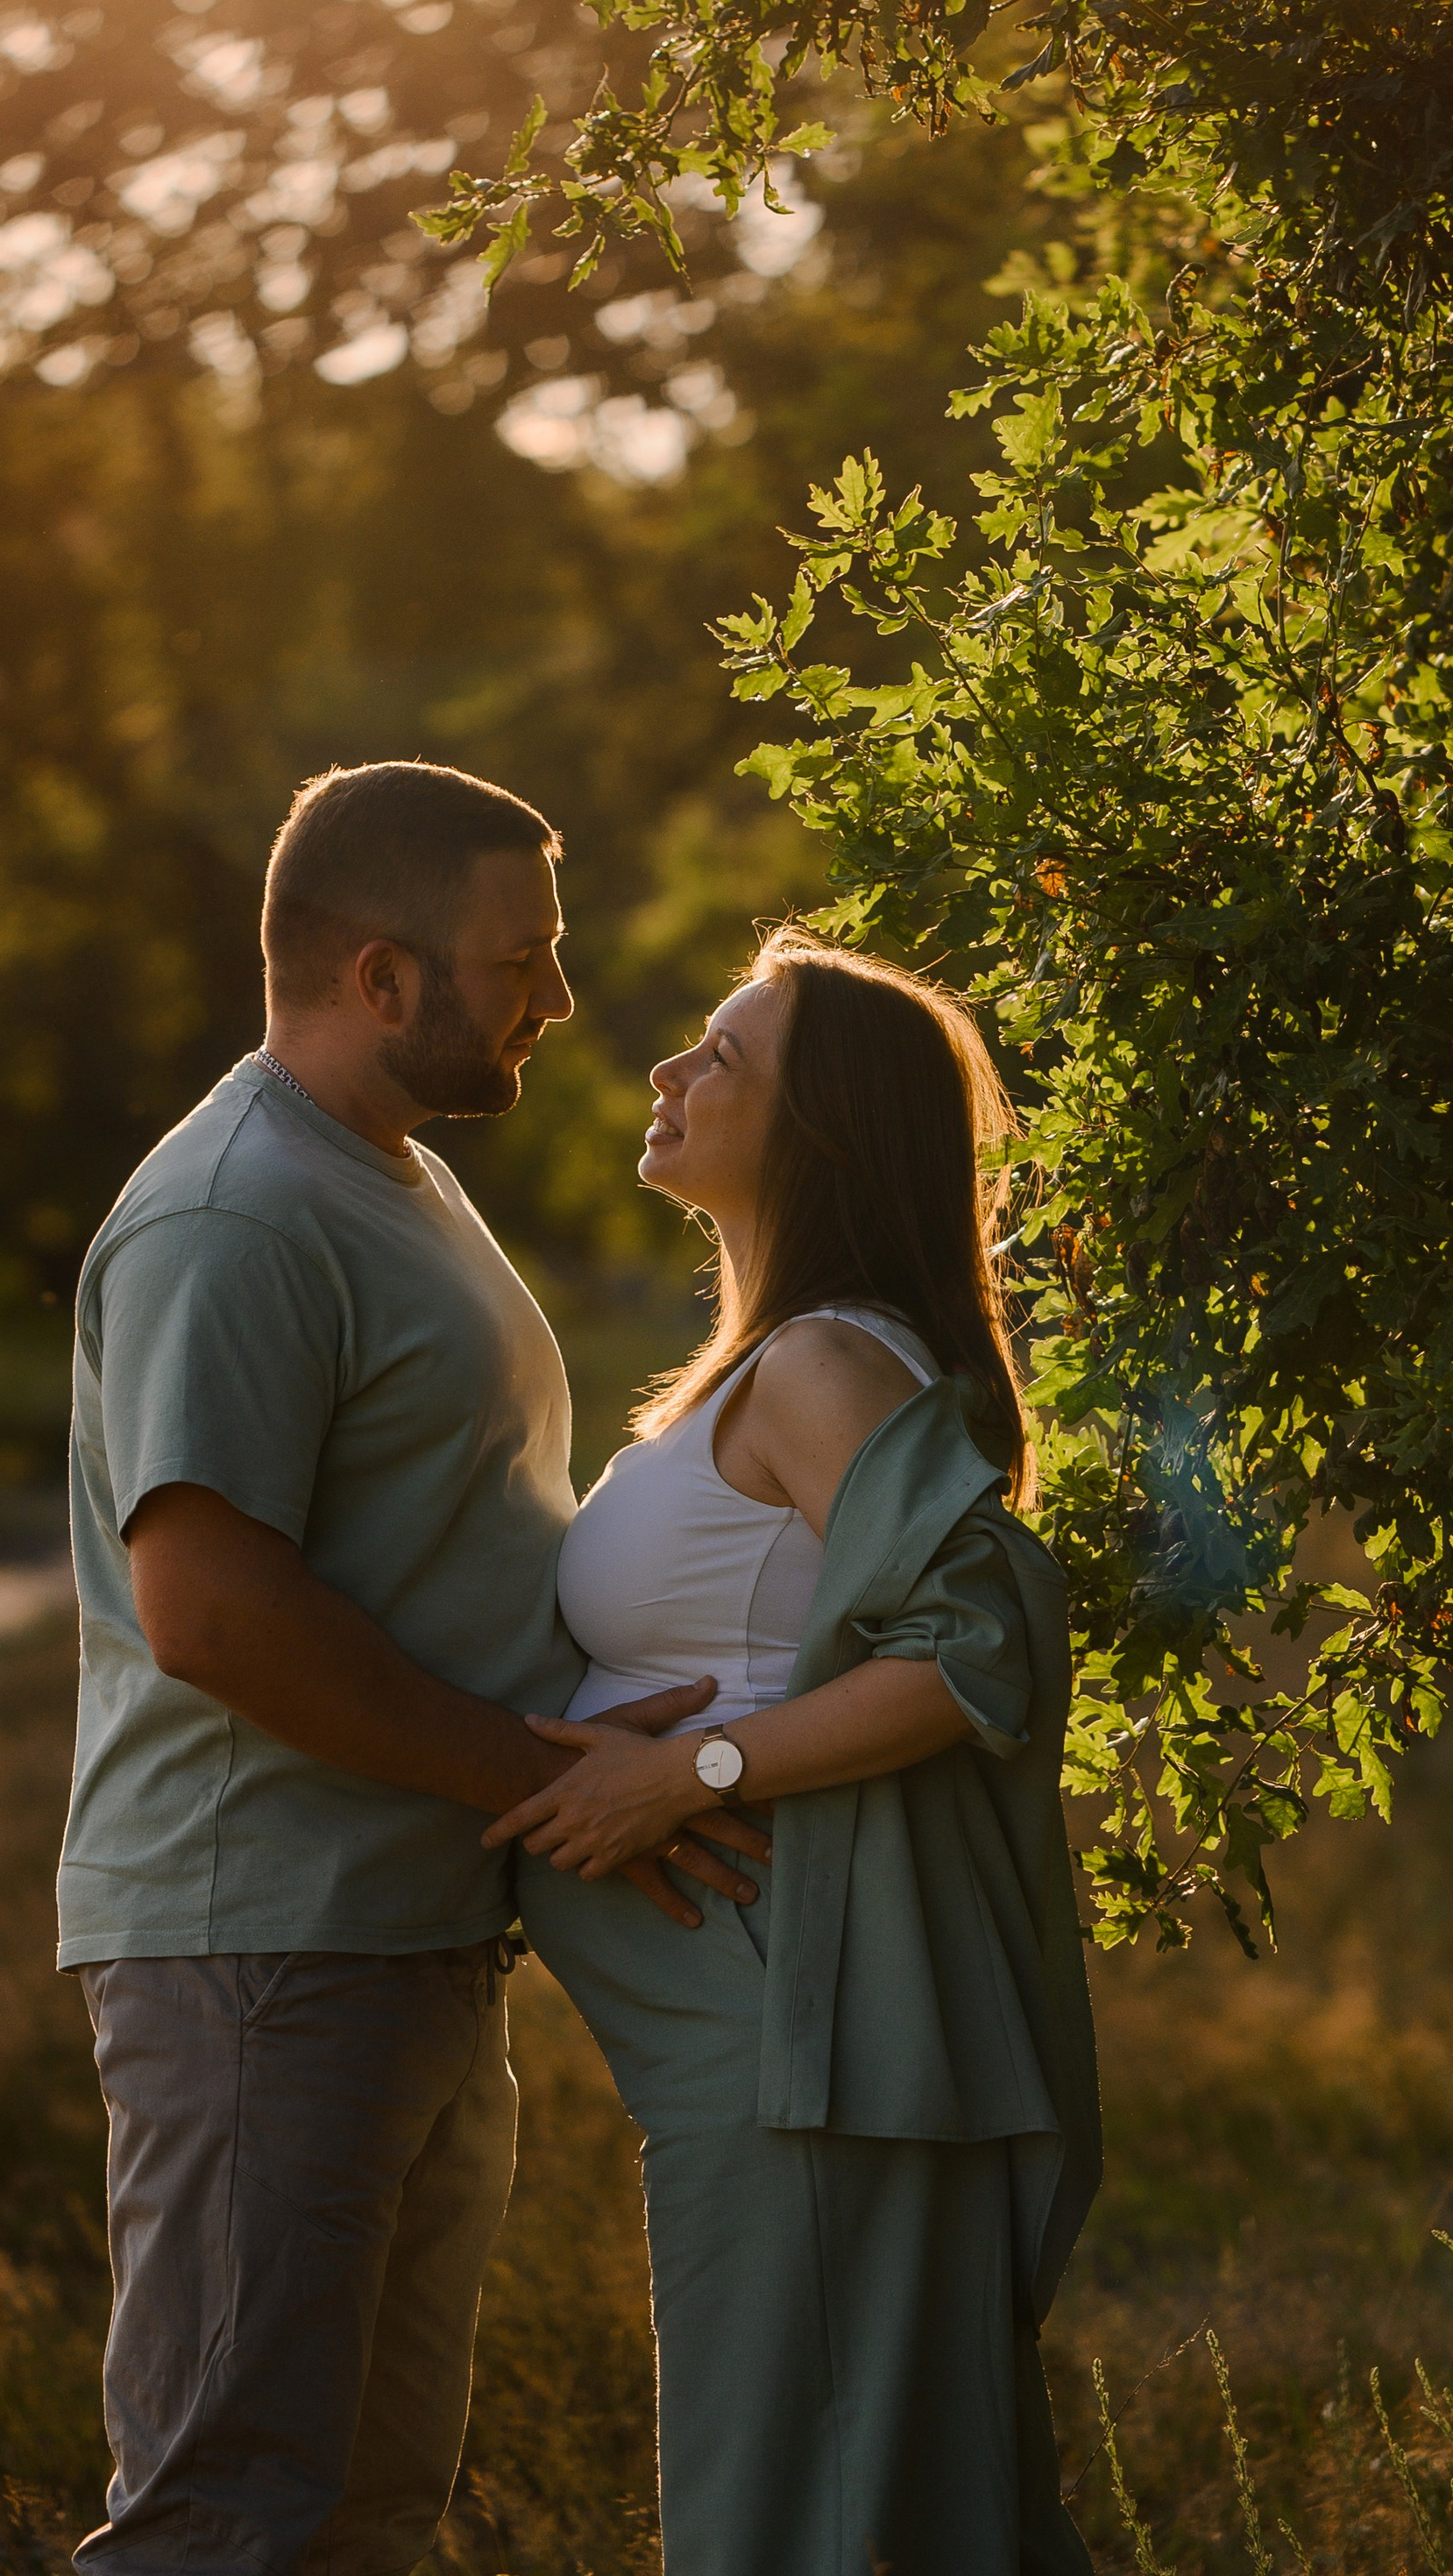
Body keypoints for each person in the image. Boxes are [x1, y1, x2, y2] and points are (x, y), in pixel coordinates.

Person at [56, 759, 762, 2576]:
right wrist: (538, 1778)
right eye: (522, 957)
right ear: (381, 975)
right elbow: (208, 1608)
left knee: (367, 2517)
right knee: (228, 2519)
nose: (561, 996)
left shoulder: (390, 1175)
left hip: (399, 1931)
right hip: (265, 1945)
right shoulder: (233, 1214)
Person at [487, 927, 1102, 2576]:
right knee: (834, 2511)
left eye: (723, 1056)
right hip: (759, 2049)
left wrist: (688, 1774)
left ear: (818, 1129)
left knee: (789, 2526)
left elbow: (977, 1652)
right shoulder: (771, 1365)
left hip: (800, 2038)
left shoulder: (828, 1365)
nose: (670, 1071)